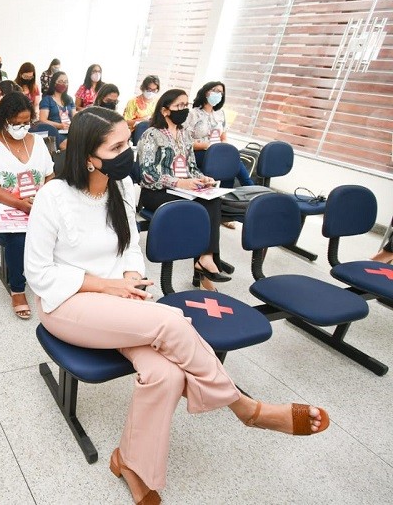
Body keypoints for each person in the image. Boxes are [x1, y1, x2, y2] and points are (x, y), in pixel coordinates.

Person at [23, 106, 330, 504]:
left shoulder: (121, 189)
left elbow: (129, 246)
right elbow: (39, 274)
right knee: (170, 323)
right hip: (67, 304)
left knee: (165, 375)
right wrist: (108, 286)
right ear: (88, 157)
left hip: (118, 301)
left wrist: (130, 277)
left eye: (128, 141)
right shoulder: (53, 196)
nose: (129, 152)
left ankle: (130, 463)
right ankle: (248, 410)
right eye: (118, 147)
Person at [0, 93, 55, 320]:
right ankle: (18, 289)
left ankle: (49, 279)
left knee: (58, 229)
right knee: (19, 238)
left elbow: (50, 176)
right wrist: (19, 204)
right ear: (3, 119)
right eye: (15, 123)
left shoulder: (37, 142)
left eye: (26, 122)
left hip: (35, 204)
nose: (21, 127)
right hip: (1, 206)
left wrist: (43, 199)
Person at [137, 89, 227, 292]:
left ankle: (206, 258)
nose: (184, 110)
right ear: (165, 110)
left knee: (212, 200)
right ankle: (204, 267)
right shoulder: (151, 135)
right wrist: (178, 183)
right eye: (179, 106)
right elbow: (147, 174)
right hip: (156, 191)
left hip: (184, 189)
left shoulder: (186, 134)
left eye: (186, 105)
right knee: (198, 207)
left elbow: (192, 167)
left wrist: (201, 178)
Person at [187, 81, 254, 192]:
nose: (218, 94)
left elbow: (223, 137)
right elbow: (185, 142)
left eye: (220, 92)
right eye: (215, 90)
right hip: (198, 152)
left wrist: (225, 146)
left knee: (232, 157)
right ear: (205, 92)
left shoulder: (221, 114)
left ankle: (245, 190)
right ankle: (251, 188)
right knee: (227, 160)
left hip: (217, 152)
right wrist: (208, 146)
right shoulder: (193, 114)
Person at [38, 71, 75, 149]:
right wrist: (59, 125)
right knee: (68, 145)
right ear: (54, 83)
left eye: (66, 82)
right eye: (60, 81)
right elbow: (42, 120)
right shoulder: (47, 100)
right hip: (55, 132)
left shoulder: (69, 99)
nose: (63, 84)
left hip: (70, 131)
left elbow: (75, 117)